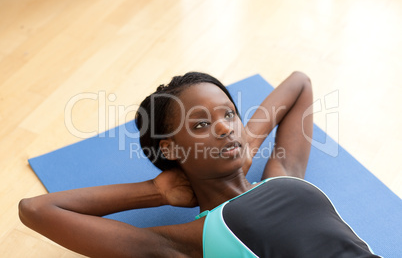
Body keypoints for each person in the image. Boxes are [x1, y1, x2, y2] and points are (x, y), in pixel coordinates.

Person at [19, 72, 379, 257]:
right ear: (172, 149)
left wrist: (243, 145)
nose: (223, 125)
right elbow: (36, 209)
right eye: (201, 125)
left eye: (229, 113)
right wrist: (154, 192)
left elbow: (300, 83)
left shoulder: (280, 177)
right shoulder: (192, 241)